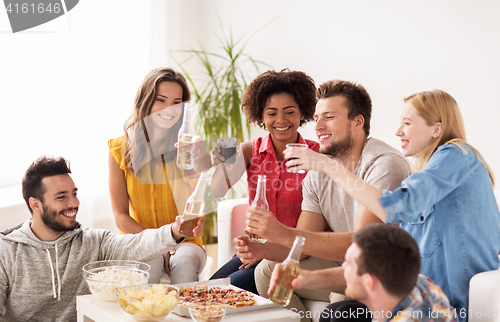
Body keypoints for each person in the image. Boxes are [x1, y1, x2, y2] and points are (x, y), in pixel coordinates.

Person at [283, 89, 500, 322]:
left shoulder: (457, 155)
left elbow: (397, 207)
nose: (398, 131)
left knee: (341, 314)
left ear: (436, 129)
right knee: (340, 312)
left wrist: (329, 167)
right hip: (418, 294)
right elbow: (388, 258)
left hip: (447, 304)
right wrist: (302, 278)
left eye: (407, 123)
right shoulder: (426, 175)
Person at [243, 79, 411, 321]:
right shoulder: (318, 170)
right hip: (343, 261)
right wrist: (263, 248)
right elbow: (301, 244)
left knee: (341, 298)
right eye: (317, 117)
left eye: (329, 117)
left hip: (377, 268)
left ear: (357, 122)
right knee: (267, 271)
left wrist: (281, 233)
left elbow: (361, 246)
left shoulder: (384, 164)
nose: (318, 126)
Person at [0, 156, 204, 321]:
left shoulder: (91, 241)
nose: (74, 203)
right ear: (35, 204)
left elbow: (136, 244)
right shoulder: (6, 251)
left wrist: (177, 230)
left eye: (74, 193)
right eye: (61, 197)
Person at [209, 69, 319, 294]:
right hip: (256, 248)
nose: (280, 120)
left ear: (302, 113)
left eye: (289, 112)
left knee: (222, 293)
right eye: (272, 113)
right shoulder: (249, 151)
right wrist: (225, 160)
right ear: (261, 115)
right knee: (204, 288)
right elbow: (217, 189)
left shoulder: (317, 154)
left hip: (292, 253)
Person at [108, 68, 212, 284]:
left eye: (176, 102)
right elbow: (121, 216)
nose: (169, 109)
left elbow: (201, 193)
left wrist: (202, 157)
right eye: (161, 100)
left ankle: (185, 315)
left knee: (183, 261)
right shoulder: (119, 150)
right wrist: (159, 242)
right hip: (139, 239)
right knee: (151, 260)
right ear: (145, 102)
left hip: (185, 242)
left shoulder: (186, 147)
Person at [268, 224, 456, 322]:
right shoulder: (424, 286)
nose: (342, 269)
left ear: (369, 282)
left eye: (348, 265)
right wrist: (305, 278)